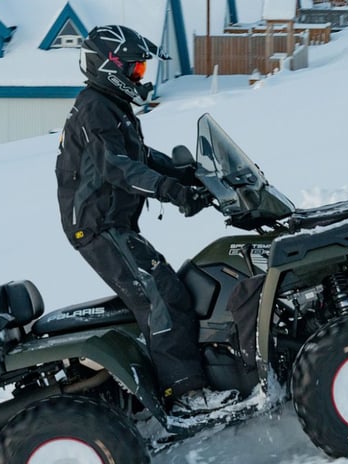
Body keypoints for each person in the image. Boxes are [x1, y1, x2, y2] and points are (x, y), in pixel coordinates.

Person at [55, 25, 224, 413]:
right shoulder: (94, 109)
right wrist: (170, 191)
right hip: (98, 228)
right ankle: (186, 395)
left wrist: (190, 175)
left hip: (115, 224)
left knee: (165, 287)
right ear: (110, 67)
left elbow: (141, 157)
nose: (140, 77)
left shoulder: (110, 106)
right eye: (135, 70)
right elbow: (118, 169)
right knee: (162, 297)